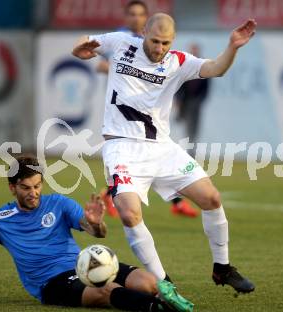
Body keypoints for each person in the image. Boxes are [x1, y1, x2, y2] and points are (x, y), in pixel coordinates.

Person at [72, 14, 257, 293]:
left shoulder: (178, 62)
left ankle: (223, 268)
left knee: (212, 198)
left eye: (166, 43)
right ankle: (164, 283)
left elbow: (216, 68)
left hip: (161, 147)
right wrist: (80, 48)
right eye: (155, 41)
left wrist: (232, 46)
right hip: (121, 146)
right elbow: (88, 42)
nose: (159, 48)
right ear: (144, 32)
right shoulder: (122, 43)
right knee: (129, 214)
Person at [0, 155, 194, 312]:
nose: (34, 193)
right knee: (108, 291)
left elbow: (97, 233)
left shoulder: (59, 203)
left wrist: (96, 222)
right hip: (53, 283)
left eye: (37, 186)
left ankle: (160, 298)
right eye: (26, 187)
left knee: (147, 281)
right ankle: (157, 309)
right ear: (12, 187)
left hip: (84, 263)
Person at [97, 0, 198, 218]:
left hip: (150, 109)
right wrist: (126, 75)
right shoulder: (121, 38)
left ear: (146, 20)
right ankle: (175, 201)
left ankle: (113, 193)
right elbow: (100, 64)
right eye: (132, 14)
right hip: (124, 110)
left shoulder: (155, 45)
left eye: (140, 14)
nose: (136, 18)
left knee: (150, 155)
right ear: (127, 17)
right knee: (140, 158)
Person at [174, 44, 210, 148]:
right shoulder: (184, 64)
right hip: (184, 100)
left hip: (195, 101)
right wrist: (178, 99)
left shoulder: (205, 65)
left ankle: (191, 148)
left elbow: (206, 86)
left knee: (193, 126)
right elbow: (179, 83)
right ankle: (183, 146)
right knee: (183, 123)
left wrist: (200, 99)